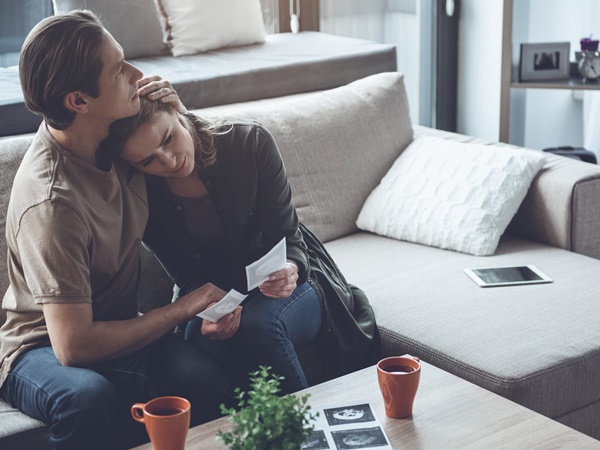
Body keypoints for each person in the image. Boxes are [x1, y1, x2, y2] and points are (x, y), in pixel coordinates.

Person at [0, 10, 238, 450]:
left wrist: (177, 114)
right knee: (87, 397)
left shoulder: (117, 140)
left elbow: (201, 162)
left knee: (199, 376)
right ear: (78, 101)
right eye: (118, 69)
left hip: (116, 328)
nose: (136, 74)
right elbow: (73, 347)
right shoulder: (52, 200)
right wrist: (185, 307)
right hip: (39, 347)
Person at [101, 95, 381, 395]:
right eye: (147, 160)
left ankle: (298, 436)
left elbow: (290, 239)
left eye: (168, 138)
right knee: (199, 338)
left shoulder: (248, 141)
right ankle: (245, 434)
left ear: (175, 110)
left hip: (295, 276)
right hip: (220, 289)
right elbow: (186, 276)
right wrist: (206, 315)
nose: (168, 160)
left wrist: (290, 268)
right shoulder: (143, 194)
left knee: (260, 325)